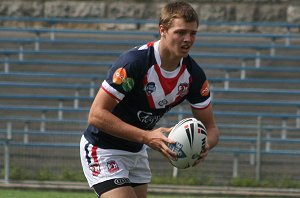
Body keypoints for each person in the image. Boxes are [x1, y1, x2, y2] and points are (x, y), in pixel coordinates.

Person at [80, 1, 220, 198]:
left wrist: (203, 146)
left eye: (193, 33)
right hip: (103, 148)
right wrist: (147, 137)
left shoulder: (193, 76)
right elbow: (96, 115)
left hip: (136, 150)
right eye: (180, 32)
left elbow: (211, 128)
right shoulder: (134, 63)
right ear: (162, 30)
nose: (187, 39)